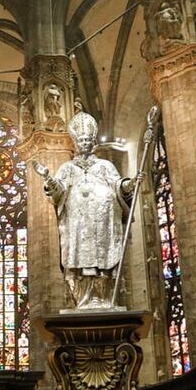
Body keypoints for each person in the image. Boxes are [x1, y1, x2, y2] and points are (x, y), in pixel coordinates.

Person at [33, 104, 141, 309]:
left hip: (102, 226)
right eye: (80, 140)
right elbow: (58, 192)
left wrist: (130, 184)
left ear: (92, 143)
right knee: (81, 264)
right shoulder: (67, 168)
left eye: (87, 140)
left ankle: (104, 298)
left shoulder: (105, 166)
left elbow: (118, 185)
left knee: (103, 263)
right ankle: (83, 300)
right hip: (77, 227)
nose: (84, 143)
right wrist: (48, 178)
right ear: (75, 143)